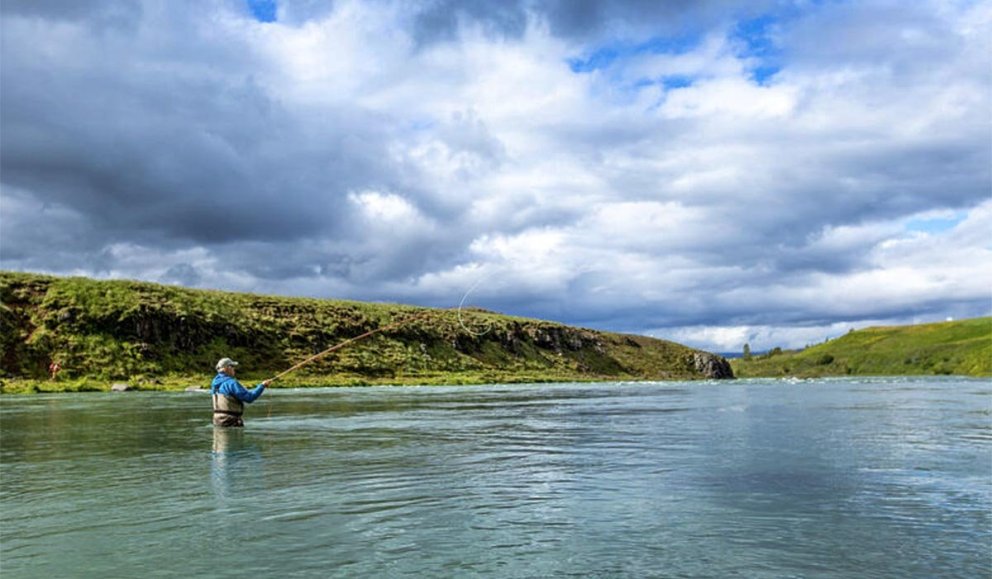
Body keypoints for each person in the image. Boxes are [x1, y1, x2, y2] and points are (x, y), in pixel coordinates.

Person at [210, 358, 270, 427]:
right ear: (227, 368)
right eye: (232, 366)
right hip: (231, 421)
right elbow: (249, 398)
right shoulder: (231, 383)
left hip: (217, 420)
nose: (234, 369)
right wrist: (262, 386)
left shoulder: (214, 383)